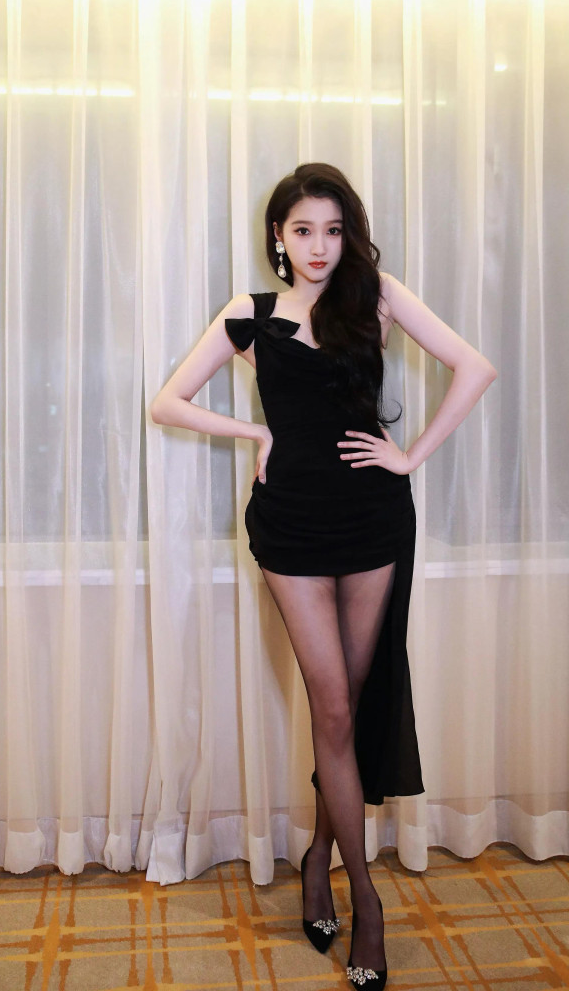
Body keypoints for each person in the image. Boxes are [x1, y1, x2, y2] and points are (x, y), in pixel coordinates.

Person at [150, 163, 497, 989]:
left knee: (348, 709)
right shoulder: (249, 316)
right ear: (278, 235)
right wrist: (254, 434)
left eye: (333, 230)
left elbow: (475, 367)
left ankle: (317, 856)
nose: (318, 246)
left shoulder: (376, 298)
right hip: (291, 527)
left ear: (349, 236)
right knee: (333, 705)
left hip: (374, 520)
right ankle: (366, 899)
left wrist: (408, 456)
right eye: (303, 230)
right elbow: (167, 402)